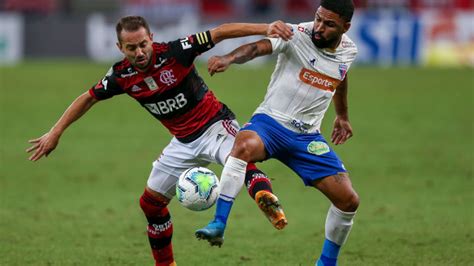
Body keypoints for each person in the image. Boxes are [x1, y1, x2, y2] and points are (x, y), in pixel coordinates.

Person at [26, 16, 294, 266]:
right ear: (120, 47)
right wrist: (55, 132)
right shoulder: (121, 76)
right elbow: (88, 97)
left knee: (238, 158)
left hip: (214, 126)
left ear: (151, 38)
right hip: (181, 143)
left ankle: (264, 195)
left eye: (143, 44)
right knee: (151, 204)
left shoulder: (176, 51)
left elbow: (221, 32)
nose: (139, 52)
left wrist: (266, 27)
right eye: (131, 48)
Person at [195, 1, 360, 265]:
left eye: (329, 24)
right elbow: (258, 47)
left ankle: (327, 262)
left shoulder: (349, 50)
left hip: (307, 138)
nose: (319, 27)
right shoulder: (296, 34)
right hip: (271, 123)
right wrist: (229, 58)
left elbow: (341, 76)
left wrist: (342, 116)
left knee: (348, 200)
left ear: (345, 27)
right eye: (318, 19)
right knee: (242, 146)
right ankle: (218, 223)